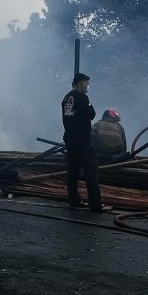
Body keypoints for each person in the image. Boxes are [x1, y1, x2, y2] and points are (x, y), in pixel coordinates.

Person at [62, 73, 111, 213]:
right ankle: (95, 204)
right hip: (83, 141)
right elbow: (92, 114)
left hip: (70, 140)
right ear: (81, 83)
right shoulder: (82, 97)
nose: (88, 86)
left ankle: (74, 201)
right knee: (91, 171)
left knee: (72, 172)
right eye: (87, 83)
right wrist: (89, 103)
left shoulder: (66, 98)